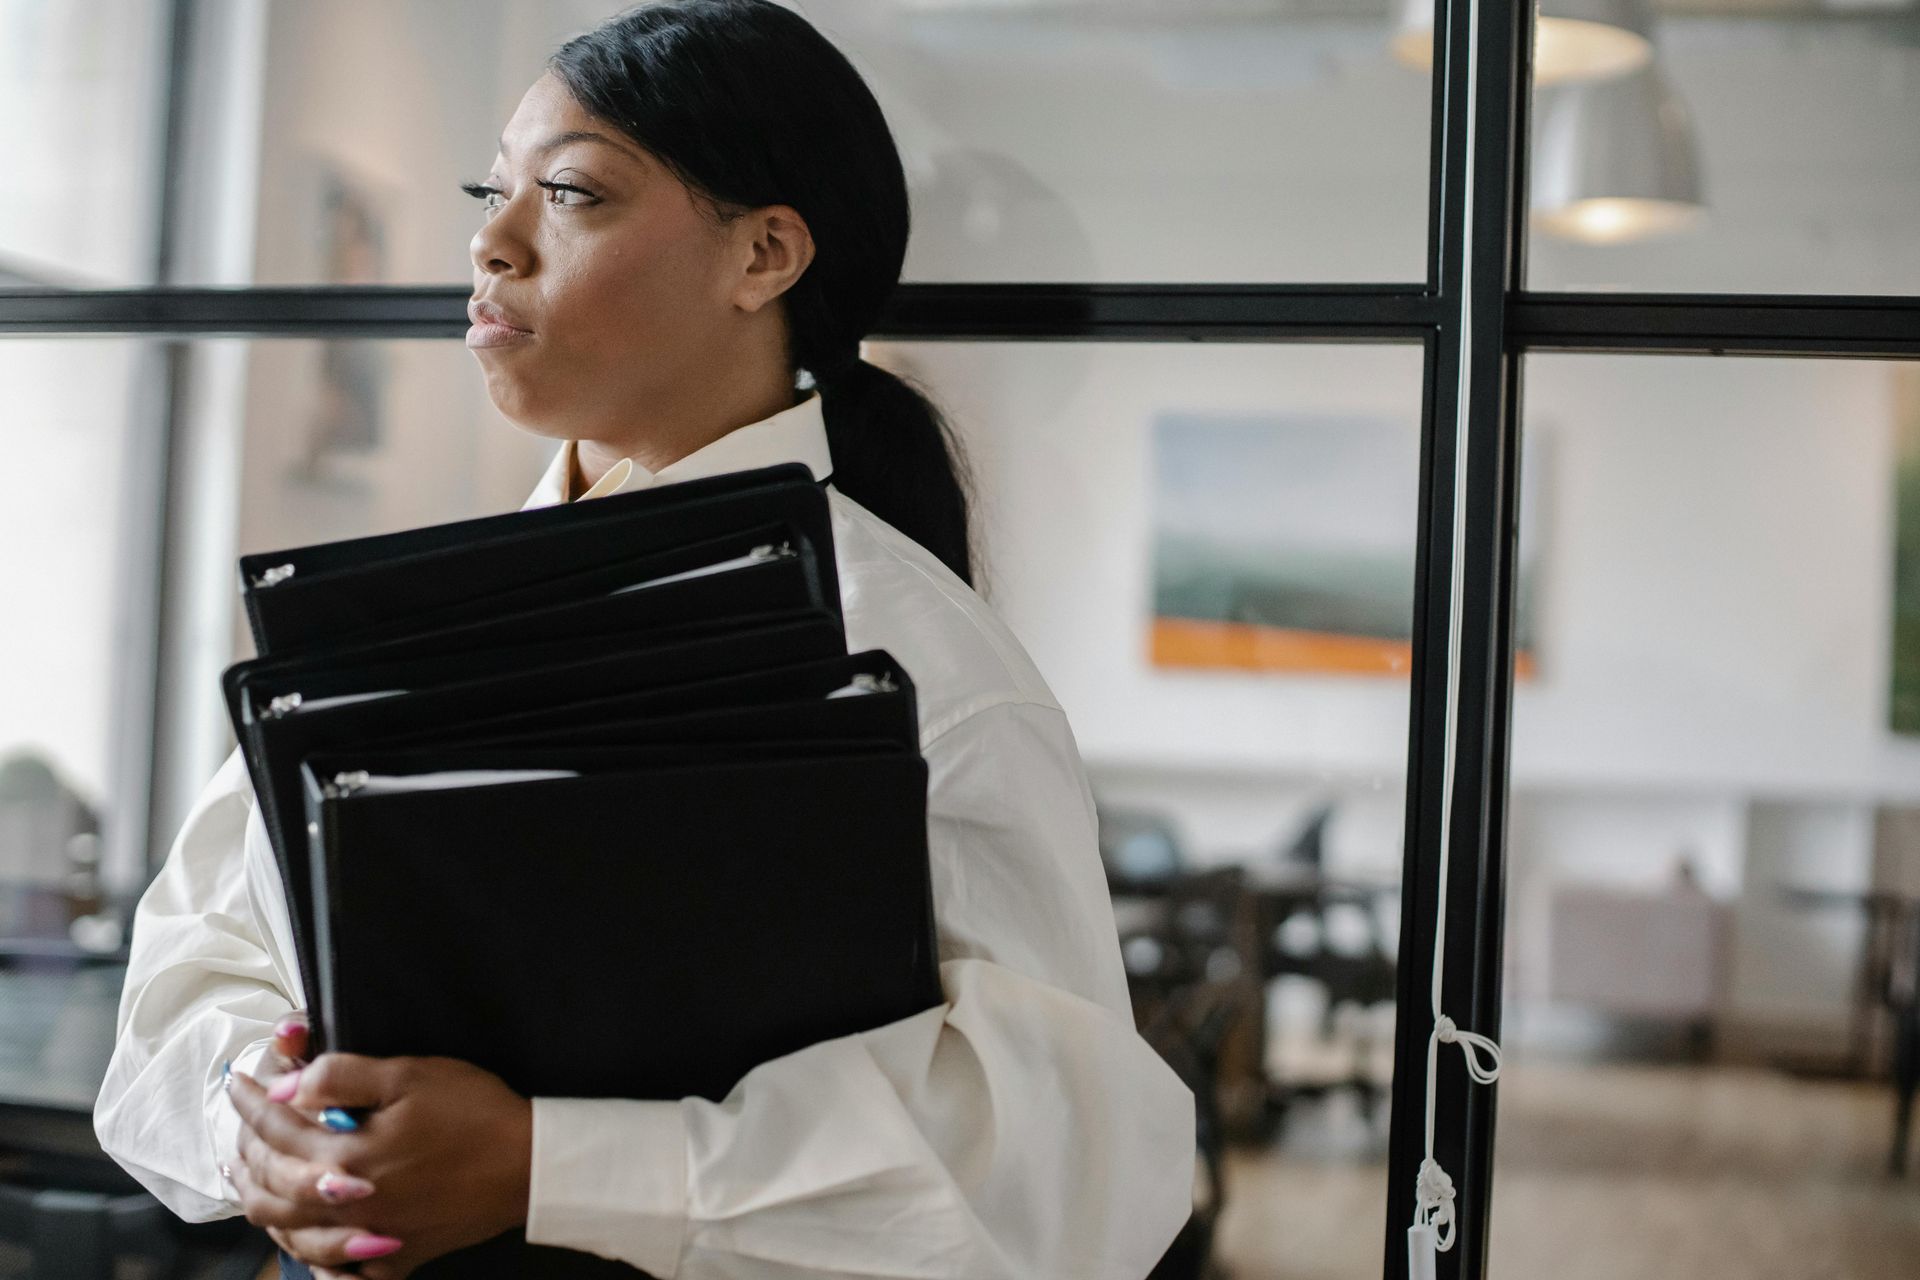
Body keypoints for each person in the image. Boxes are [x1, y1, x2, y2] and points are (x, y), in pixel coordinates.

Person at [92, 2, 1196, 1277]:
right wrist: (269, 1121)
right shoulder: (403, 617)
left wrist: (542, 1163)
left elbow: (1062, 1176)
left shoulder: (925, 669)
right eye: (488, 190)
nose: (489, 241)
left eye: (568, 193)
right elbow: (191, 973)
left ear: (764, 254)